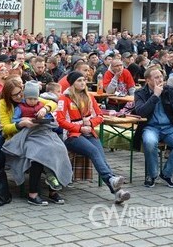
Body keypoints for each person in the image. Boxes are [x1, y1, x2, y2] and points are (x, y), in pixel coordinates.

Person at [56, 71, 131, 204]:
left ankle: (117, 192)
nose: (83, 83)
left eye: (84, 80)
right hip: (72, 136)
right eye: (79, 80)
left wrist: (90, 123)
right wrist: (79, 128)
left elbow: (100, 116)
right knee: (94, 151)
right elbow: (60, 121)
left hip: (89, 132)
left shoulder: (89, 96)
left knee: (101, 157)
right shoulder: (64, 98)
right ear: (72, 83)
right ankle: (111, 181)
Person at [0, 78, 72, 206]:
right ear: (8, 94)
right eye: (15, 95)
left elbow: (52, 103)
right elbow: (5, 127)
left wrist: (45, 109)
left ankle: (53, 190)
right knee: (37, 154)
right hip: (20, 136)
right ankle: (33, 193)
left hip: (41, 133)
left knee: (58, 148)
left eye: (20, 93)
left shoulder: (32, 98)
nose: (18, 97)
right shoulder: (4, 103)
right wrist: (20, 124)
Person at [134, 67, 173, 188]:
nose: (160, 79)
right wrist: (155, 96)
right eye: (156, 77)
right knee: (149, 142)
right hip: (150, 127)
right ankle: (152, 174)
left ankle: (167, 174)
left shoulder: (169, 90)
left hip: (169, 127)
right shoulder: (140, 93)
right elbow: (140, 112)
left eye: (161, 76)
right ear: (148, 80)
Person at [12, 81, 63, 191]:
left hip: (43, 132)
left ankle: (55, 178)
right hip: (27, 134)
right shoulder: (20, 108)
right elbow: (14, 120)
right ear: (25, 97)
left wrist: (44, 113)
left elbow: (51, 116)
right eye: (30, 99)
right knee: (41, 150)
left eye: (35, 99)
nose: (33, 101)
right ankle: (49, 175)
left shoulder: (41, 105)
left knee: (58, 147)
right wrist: (23, 119)